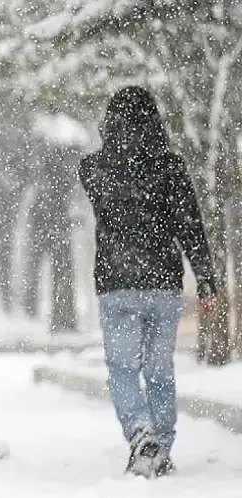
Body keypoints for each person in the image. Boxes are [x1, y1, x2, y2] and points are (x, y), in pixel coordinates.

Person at [79, 86, 217, 478]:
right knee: (159, 371)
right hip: (163, 285)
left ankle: (141, 433)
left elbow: (112, 195)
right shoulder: (170, 168)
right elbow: (190, 227)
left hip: (117, 283)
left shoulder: (93, 169)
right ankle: (162, 445)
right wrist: (205, 280)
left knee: (123, 368)